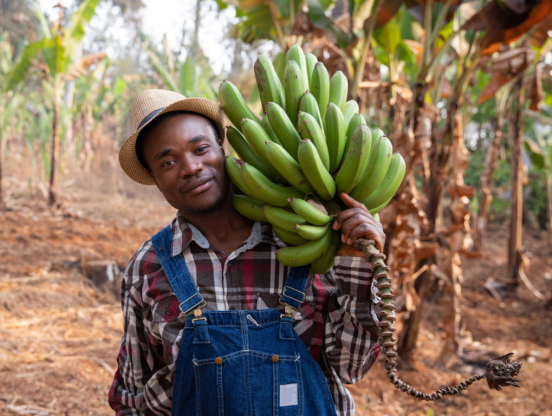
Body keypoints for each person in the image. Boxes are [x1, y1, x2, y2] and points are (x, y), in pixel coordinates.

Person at [108, 89, 385, 416]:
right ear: (154, 178)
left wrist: (358, 262)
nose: (191, 167)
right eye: (168, 162)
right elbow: (131, 397)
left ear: (222, 149)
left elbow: (350, 366)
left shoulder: (304, 242)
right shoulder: (149, 267)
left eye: (200, 148)